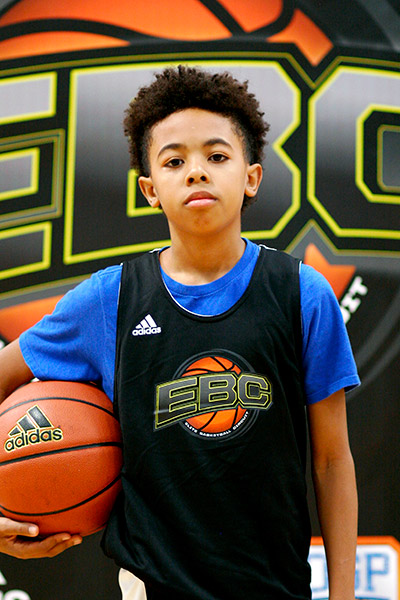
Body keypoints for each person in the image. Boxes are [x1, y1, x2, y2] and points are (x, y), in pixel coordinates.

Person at [0, 65, 359, 600]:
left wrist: (344, 595)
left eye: (216, 156)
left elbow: (332, 460)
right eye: (174, 161)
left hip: (275, 587)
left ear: (252, 177)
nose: (196, 172)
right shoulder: (110, 299)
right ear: (150, 189)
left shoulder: (301, 294)